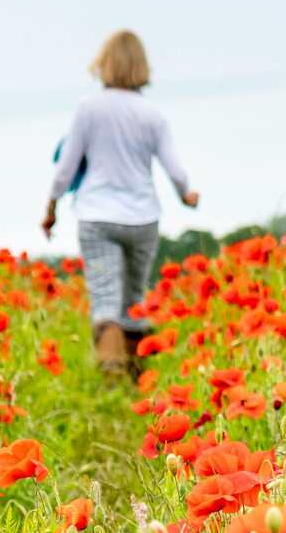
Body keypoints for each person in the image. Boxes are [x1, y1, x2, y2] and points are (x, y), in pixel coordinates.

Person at [43, 30, 199, 375]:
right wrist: (187, 195)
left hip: (97, 216)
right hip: (143, 217)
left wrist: (50, 209)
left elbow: (65, 168)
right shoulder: (151, 114)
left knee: (105, 299)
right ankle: (137, 378)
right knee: (133, 298)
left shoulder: (89, 109)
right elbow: (175, 170)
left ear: (104, 65)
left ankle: (112, 374)